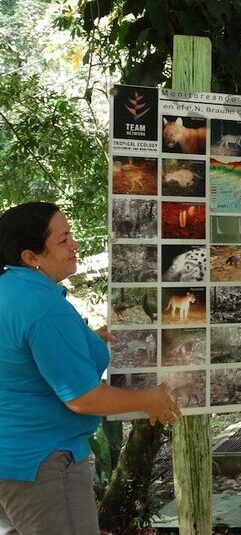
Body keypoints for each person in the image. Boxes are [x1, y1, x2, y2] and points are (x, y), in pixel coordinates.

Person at [0, 202, 181, 535]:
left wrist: (84, 341)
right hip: (44, 465)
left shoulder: (11, 290)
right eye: (63, 238)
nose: (74, 245)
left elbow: (20, 357)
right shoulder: (42, 307)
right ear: (31, 257)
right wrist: (147, 399)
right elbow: (83, 399)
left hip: (12, 460)